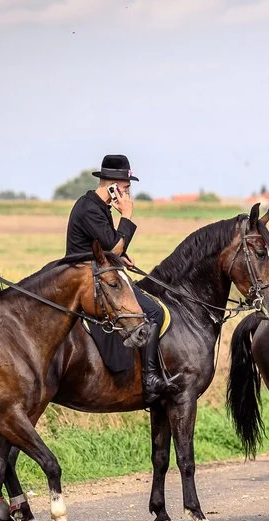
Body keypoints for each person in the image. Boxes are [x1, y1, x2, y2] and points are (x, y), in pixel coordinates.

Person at [64, 154, 175, 406]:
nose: (126, 194)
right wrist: (127, 216)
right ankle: (150, 380)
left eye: (127, 190)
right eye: (124, 189)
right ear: (111, 186)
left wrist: (120, 257)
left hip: (99, 272)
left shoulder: (98, 207)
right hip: (90, 280)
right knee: (154, 312)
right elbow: (112, 246)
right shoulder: (89, 208)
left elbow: (107, 248)